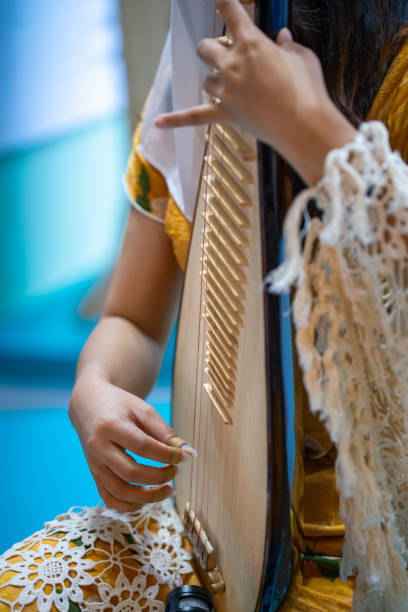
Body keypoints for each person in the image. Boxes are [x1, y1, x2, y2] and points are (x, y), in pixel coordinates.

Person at [1, 0, 408, 610]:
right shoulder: (193, 58)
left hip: (375, 544)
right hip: (221, 520)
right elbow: (132, 320)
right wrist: (94, 388)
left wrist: (303, 123)